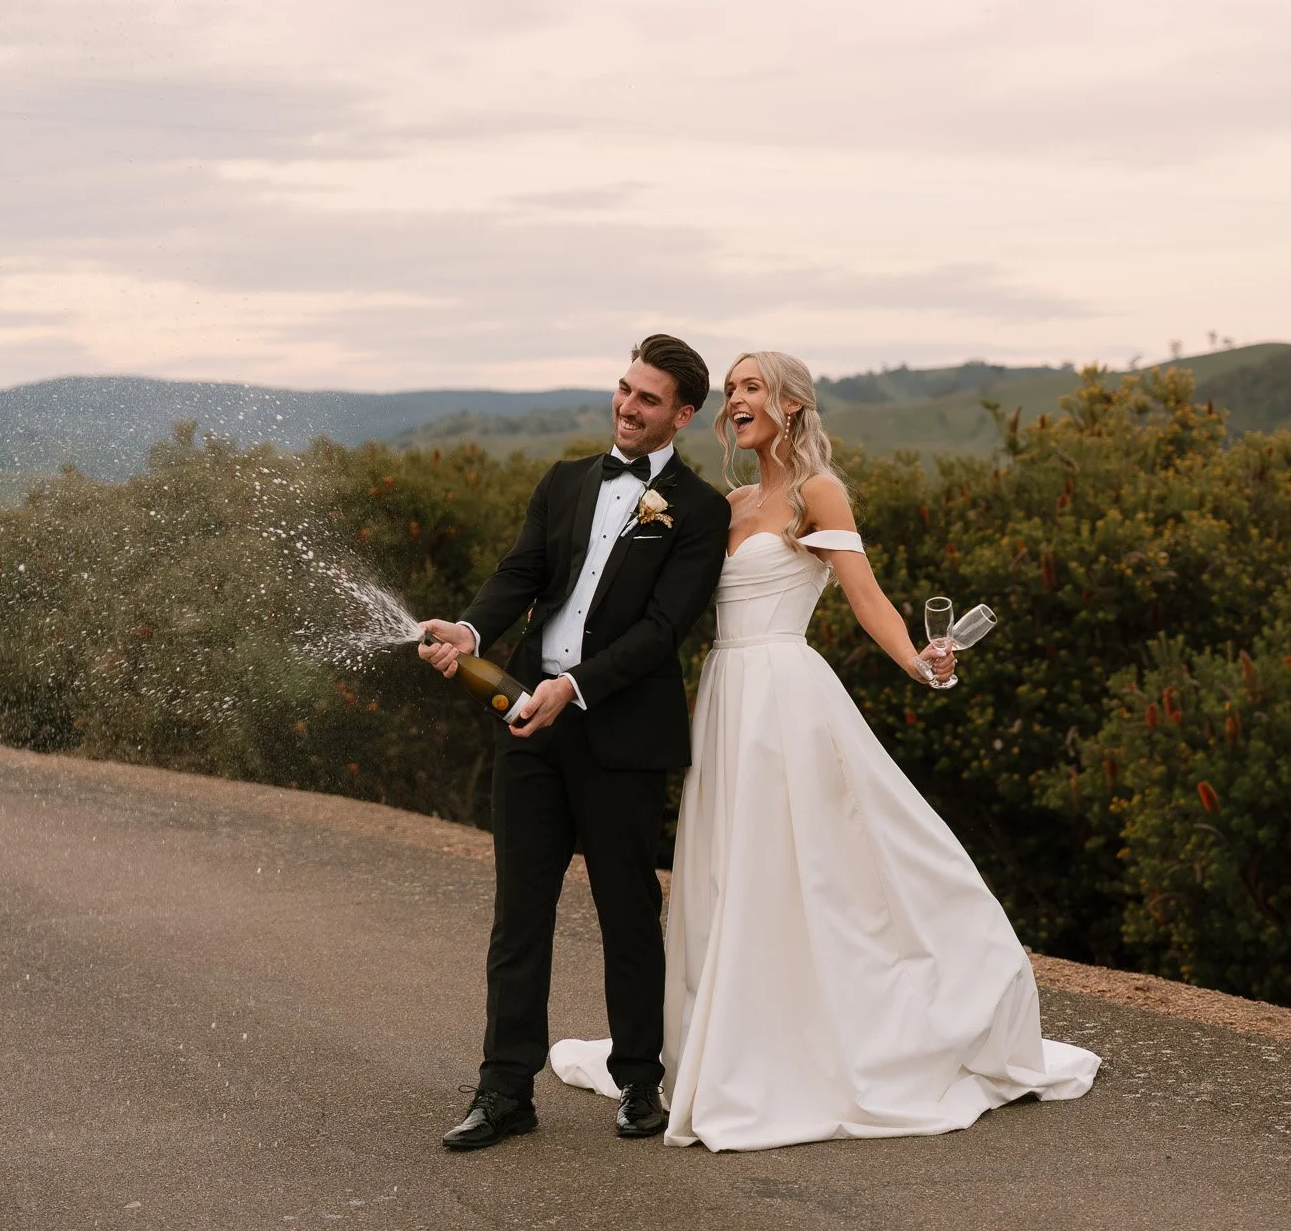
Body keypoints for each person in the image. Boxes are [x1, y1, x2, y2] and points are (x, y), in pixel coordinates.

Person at [551, 350, 1099, 1149]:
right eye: (731, 389)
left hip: (784, 697)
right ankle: (735, 1027)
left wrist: (918, 662)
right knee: (730, 867)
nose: (736, 399)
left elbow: (862, 593)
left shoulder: (818, 491)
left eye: (751, 387)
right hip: (724, 696)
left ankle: (873, 1021)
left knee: (817, 863)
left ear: (790, 406)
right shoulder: (730, 503)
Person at [418, 333, 732, 1150]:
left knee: (627, 911)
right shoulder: (562, 482)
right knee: (518, 913)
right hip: (529, 722)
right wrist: (471, 630)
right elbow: (518, 574)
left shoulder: (702, 511)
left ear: (682, 416)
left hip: (620, 735)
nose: (627, 406)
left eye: (648, 399)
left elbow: (663, 629)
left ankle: (640, 1080)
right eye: (624, 389)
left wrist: (577, 686)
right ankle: (504, 1090)